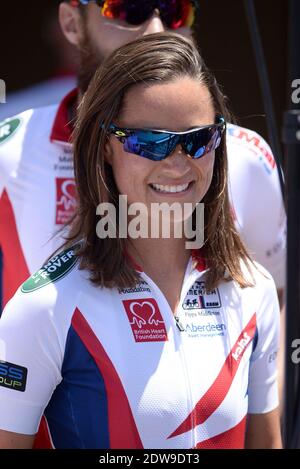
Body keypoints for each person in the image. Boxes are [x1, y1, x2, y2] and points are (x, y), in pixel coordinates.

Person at [0, 32, 282, 449]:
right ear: (105, 148)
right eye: (150, 143)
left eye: (198, 139)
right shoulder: (45, 307)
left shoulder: (251, 289)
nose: (178, 163)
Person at [0, 0, 286, 313]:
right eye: (128, 10)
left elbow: (278, 297)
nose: (156, 31)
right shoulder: (11, 150)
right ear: (71, 23)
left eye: (176, 12)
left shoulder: (247, 158)